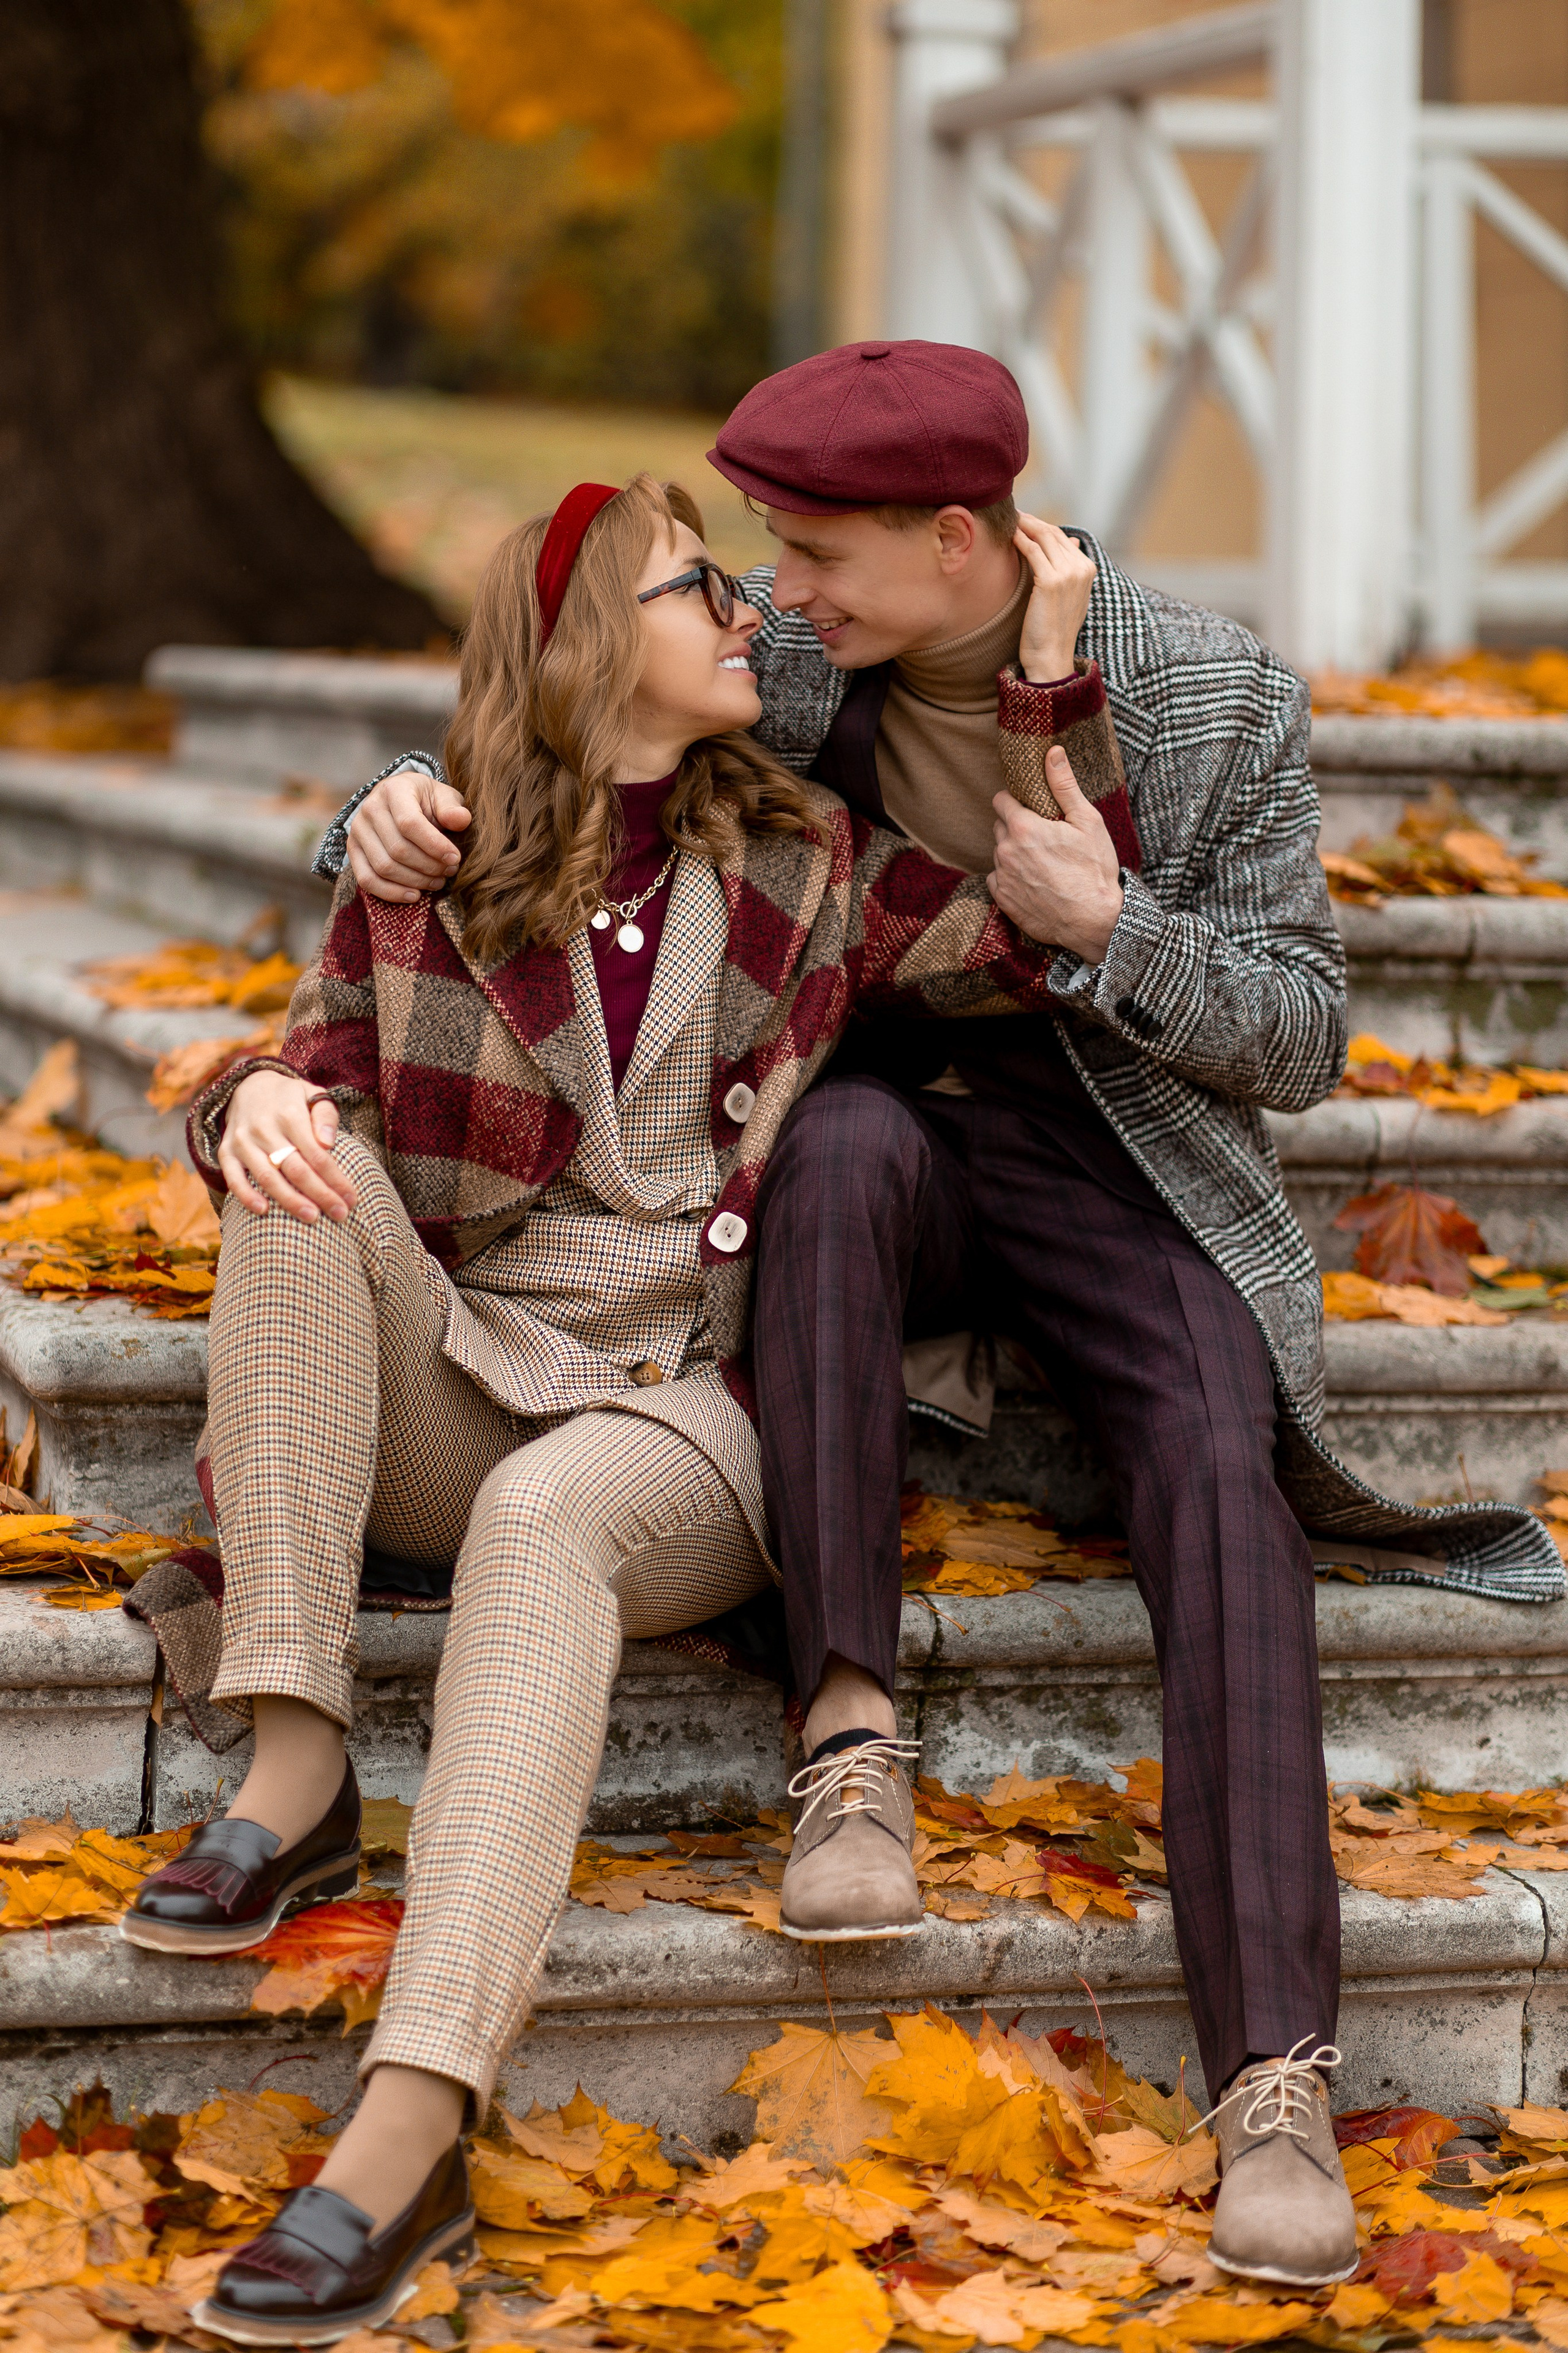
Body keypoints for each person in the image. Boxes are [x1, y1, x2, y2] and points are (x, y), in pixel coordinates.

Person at [329, 341, 1562, 2292]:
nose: (776, 587)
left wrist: (1112, 933)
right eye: (757, 552)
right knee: (834, 1172)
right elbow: (562, 736)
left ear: (958, 535)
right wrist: (388, 806)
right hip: (862, 1139)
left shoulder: (1216, 689)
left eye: (811, 549)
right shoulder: (799, 673)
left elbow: (1308, 1034)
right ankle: (849, 1740)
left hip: (1122, 1156)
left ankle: (1276, 2084)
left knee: (1212, 1472)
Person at [122, 469, 1110, 2344]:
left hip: (691, 1416)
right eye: (700, 586)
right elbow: (305, 1059)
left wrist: (1047, 672)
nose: (746, 612)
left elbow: (1032, 916)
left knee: (546, 1517)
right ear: (591, 644)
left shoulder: (810, 861)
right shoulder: (437, 868)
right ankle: (295, 1761)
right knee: (292, 1156)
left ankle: (406, 2128)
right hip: (472, 1376)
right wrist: (245, 1095)